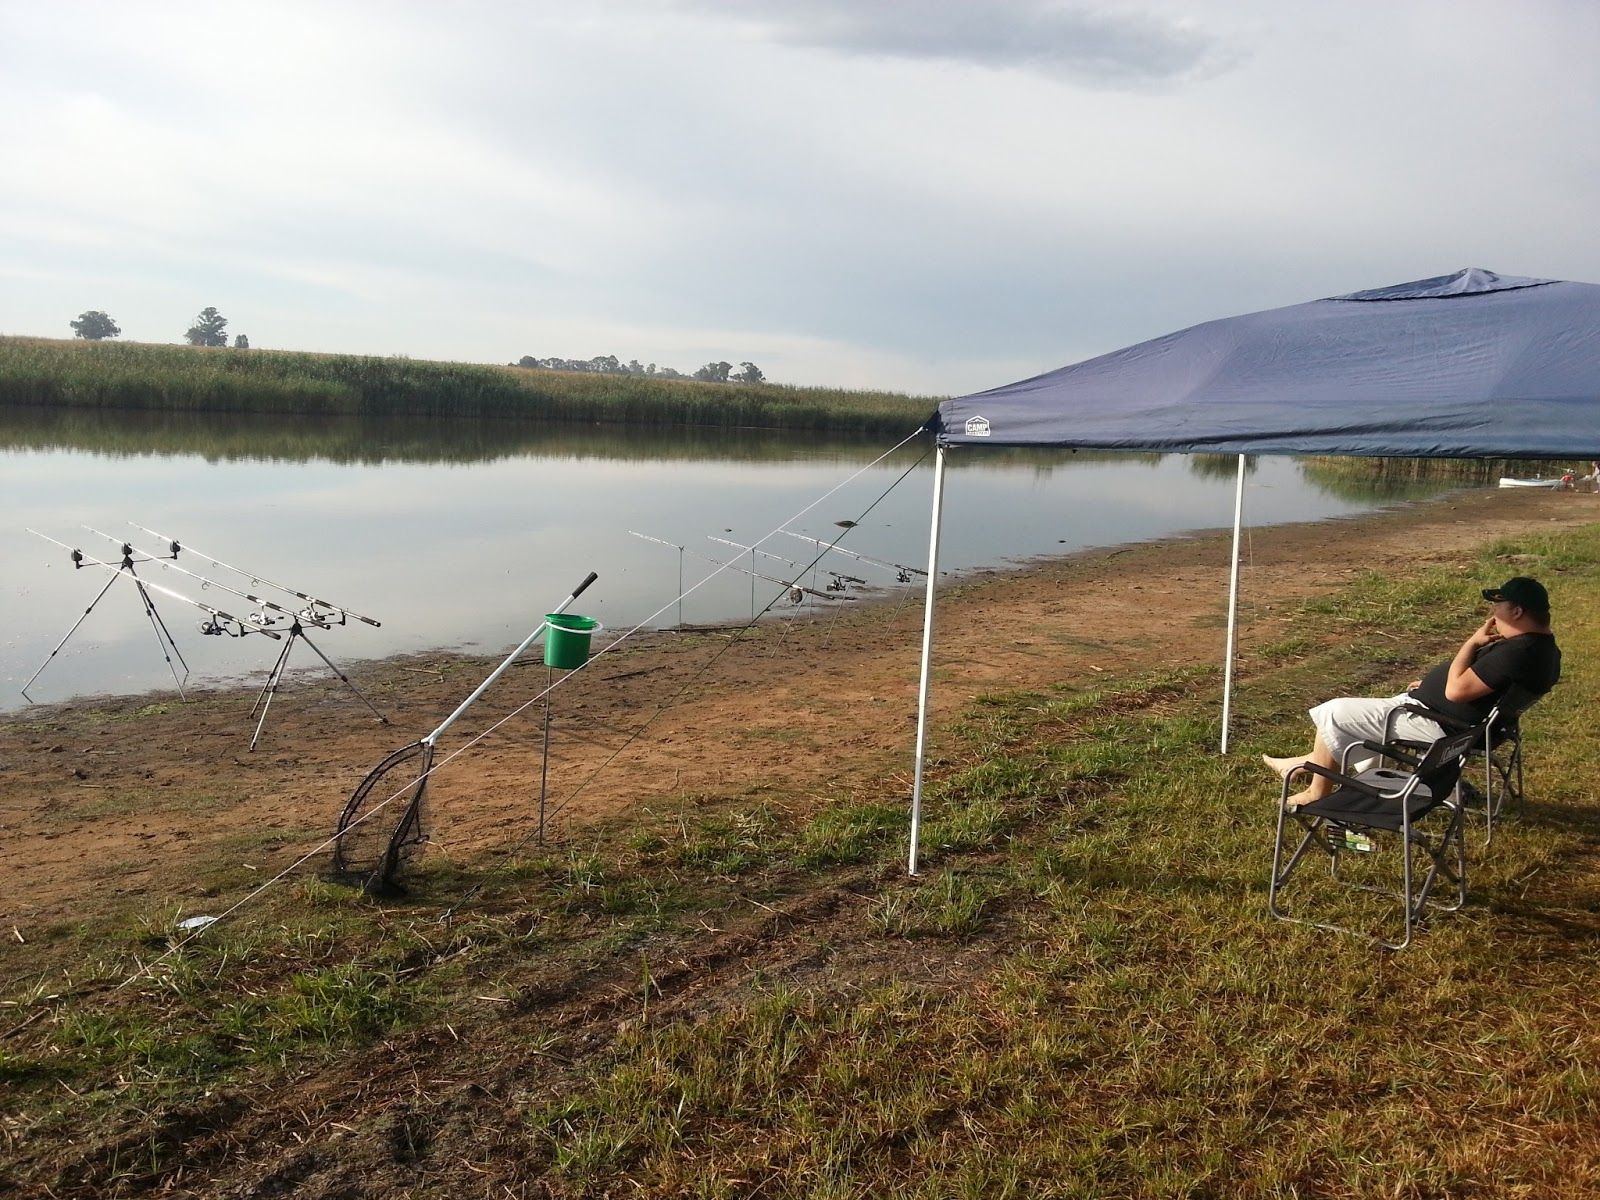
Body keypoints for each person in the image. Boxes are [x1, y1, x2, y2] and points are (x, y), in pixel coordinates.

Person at [1262, 576, 1561, 808]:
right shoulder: (1545, 650)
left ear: (1517, 612)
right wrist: (1431, 687)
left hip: (1442, 728)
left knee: (1335, 712)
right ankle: (1304, 763)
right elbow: (1481, 689)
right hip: (1457, 720)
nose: (1493, 613)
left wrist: (1471, 643)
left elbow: (1457, 691)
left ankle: (1316, 792)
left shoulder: (1518, 653)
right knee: (1361, 718)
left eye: (1498, 606)